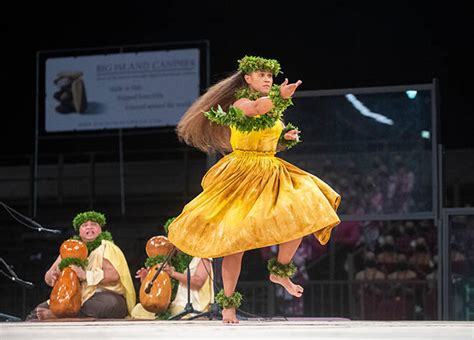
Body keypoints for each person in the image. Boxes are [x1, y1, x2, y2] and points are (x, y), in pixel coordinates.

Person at [167, 55, 341, 323]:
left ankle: (280, 270)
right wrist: (280, 97)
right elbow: (258, 109)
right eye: (261, 75)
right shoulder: (241, 103)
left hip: (270, 171)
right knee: (235, 243)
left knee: (302, 213)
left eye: (270, 76)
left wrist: (286, 137)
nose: (267, 79)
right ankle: (228, 305)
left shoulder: (274, 110)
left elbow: (271, 130)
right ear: (247, 78)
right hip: (241, 176)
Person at [26, 211, 136, 320]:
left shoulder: (106, 247)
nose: (89, 227)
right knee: (36, 312)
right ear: (79, 231)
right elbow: (49, 276)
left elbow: (113, 276)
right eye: (84, 225)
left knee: (109, 304)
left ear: (100, 229)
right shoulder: (69, 248)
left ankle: (59, 316)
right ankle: (63, 314)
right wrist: (52, 276)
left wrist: (86, 275)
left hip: (105, 295)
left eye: (93, 224)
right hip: (74, 297)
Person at [131, 256, 213, 319]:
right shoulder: (172, 258)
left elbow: (198, 282)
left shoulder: (204, 257)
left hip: (192, 308)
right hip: (174, 304)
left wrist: (173, 273)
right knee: (138, 310)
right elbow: (164, 291)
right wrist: (147, 280)